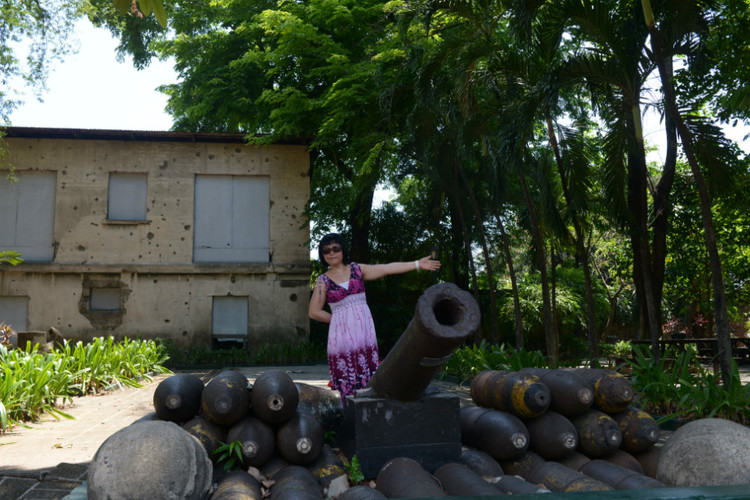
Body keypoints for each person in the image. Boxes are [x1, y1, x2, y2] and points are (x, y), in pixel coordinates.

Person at [309, 233, 441, 398]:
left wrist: (417, 264)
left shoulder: (358, 270)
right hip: (341, 337)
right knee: (347, 375)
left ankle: (370, 413)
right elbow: (314, 311)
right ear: (322, 255)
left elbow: (386, 268)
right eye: (326, 250)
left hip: (363, 332)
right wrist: (337, 320)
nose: (331, 253)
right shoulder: (323, 281)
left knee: (368, 373)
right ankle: (349, 415)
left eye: (336, 248)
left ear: (343, 250)